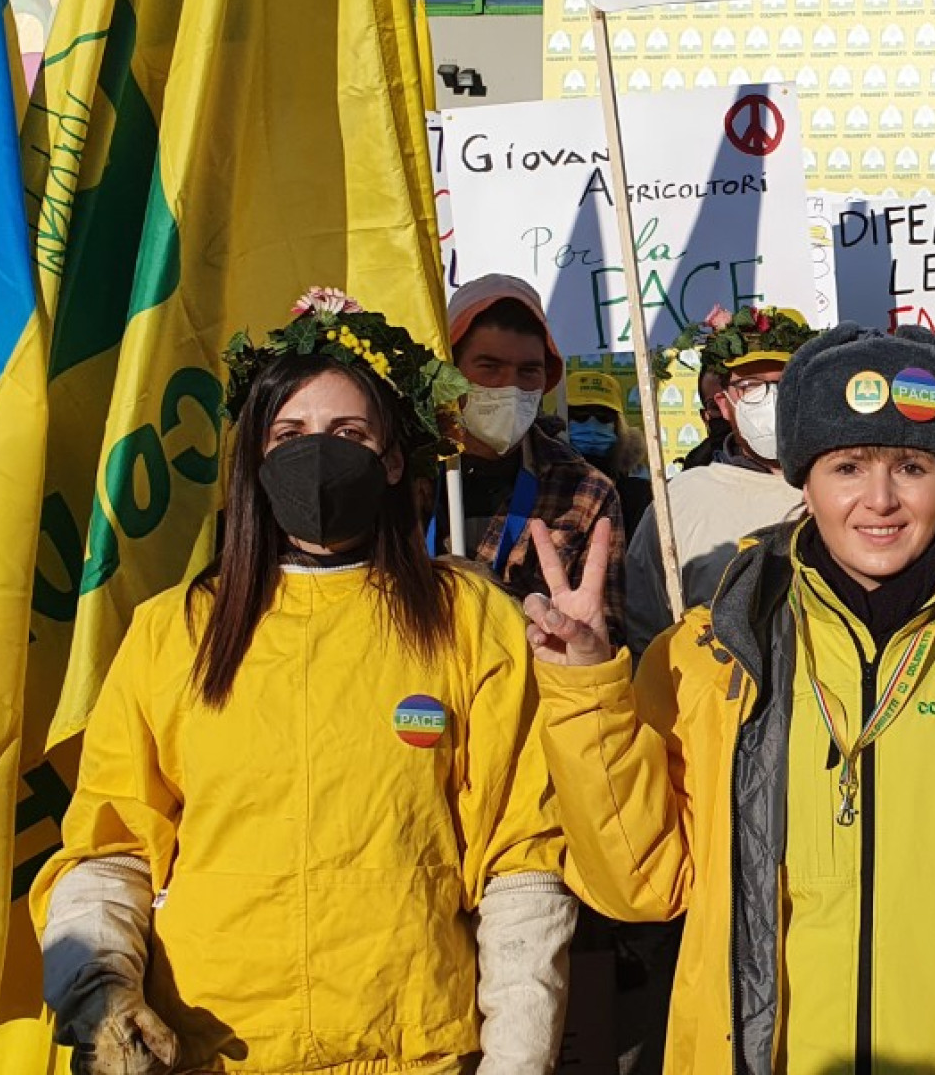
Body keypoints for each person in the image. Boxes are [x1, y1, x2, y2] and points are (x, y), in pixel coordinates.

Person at [524, 324, 935, 1074]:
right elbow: (640, 882)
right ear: (805, 481)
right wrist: (586, 690)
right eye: (847, 466)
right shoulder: (709, 655)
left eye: (911, 466)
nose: (879, 500)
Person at [33, 289, 574, 1074]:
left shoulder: (469, 620)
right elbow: (110, 850)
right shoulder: (173, 630)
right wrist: (102, 996)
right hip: (211, 1049)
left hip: (411, 1047)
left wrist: (517, 1058)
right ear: (255, 456)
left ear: (393, 457)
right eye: (290, 434)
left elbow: (520, 859)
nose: (317, 454)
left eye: (348, 432)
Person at [437, 274, 626, 637]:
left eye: (528, 371)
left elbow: (608, 637)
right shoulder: (401, 473)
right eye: (489, 367)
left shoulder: (586, 490)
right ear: (450, 371)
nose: (510, 385)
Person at [623, 307, 814, 650]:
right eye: (751, 386)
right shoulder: (682, 499)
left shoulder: (853, 489)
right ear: (724, 405)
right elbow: (644, 627)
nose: (771, 400)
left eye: (786, 383)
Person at [563, 368, 653, 536]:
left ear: (617, 426)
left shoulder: (637, 494)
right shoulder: (544, 486)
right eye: (580, 415)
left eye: (603, 417)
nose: (592, 425)